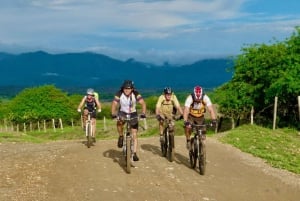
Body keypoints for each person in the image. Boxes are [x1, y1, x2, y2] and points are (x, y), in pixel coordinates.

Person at [111, 80, 147, 161]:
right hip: (122, 112)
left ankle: (134, 153)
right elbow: (114, 103)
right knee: (119, 123)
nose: (127, 90)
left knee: (134, 133)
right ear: (122, 88)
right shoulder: (119, 93)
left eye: (129, 88)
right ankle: (120, 136)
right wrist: (113, 114)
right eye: (125, 88)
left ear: (132, 89)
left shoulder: (136, 93)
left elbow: (143, 103)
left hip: (133, 113)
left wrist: (143, 113)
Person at [183, 85, 217, 150]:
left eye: (199, 99)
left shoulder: (205, 98)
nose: (198, 101)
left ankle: (202, 150)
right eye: (196, 99)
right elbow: (186, 110)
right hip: (191, 117)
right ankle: (188, 140)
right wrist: (185, 121)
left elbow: (211, 110)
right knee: (187, 127)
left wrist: (214, 120)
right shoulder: (190, 98)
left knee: (203, 135)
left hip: (201, 117)